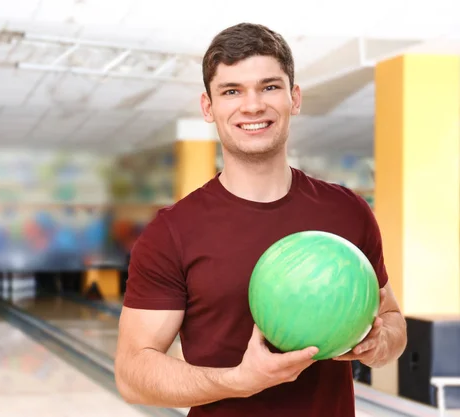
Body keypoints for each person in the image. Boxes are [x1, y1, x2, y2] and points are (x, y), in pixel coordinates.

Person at [114, 22, 407, 417]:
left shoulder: (347, 211)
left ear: (294, 97)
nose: (252, 106)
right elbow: (132, 373)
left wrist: (377, 343)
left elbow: (391, 320)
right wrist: (238, 380)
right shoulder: (172, 233)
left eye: (269, 86)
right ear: (208, 107)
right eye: (231, 91)